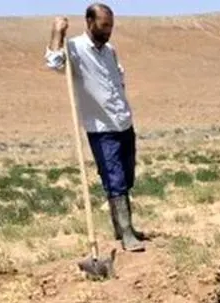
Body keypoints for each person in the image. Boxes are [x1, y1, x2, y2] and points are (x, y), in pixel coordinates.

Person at [45, 5, 145, 251]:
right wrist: (57, 33)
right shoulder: (75, 48)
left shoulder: (110, 50)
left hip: (123, 122)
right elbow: (54, 62)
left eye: (110, 25)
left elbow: (117, 79)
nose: (108, 31)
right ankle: (126, 233)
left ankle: (123, 228)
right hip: (101, 128)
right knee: (115, 179)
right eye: (103, 25)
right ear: (89, 22)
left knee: (127, 176)